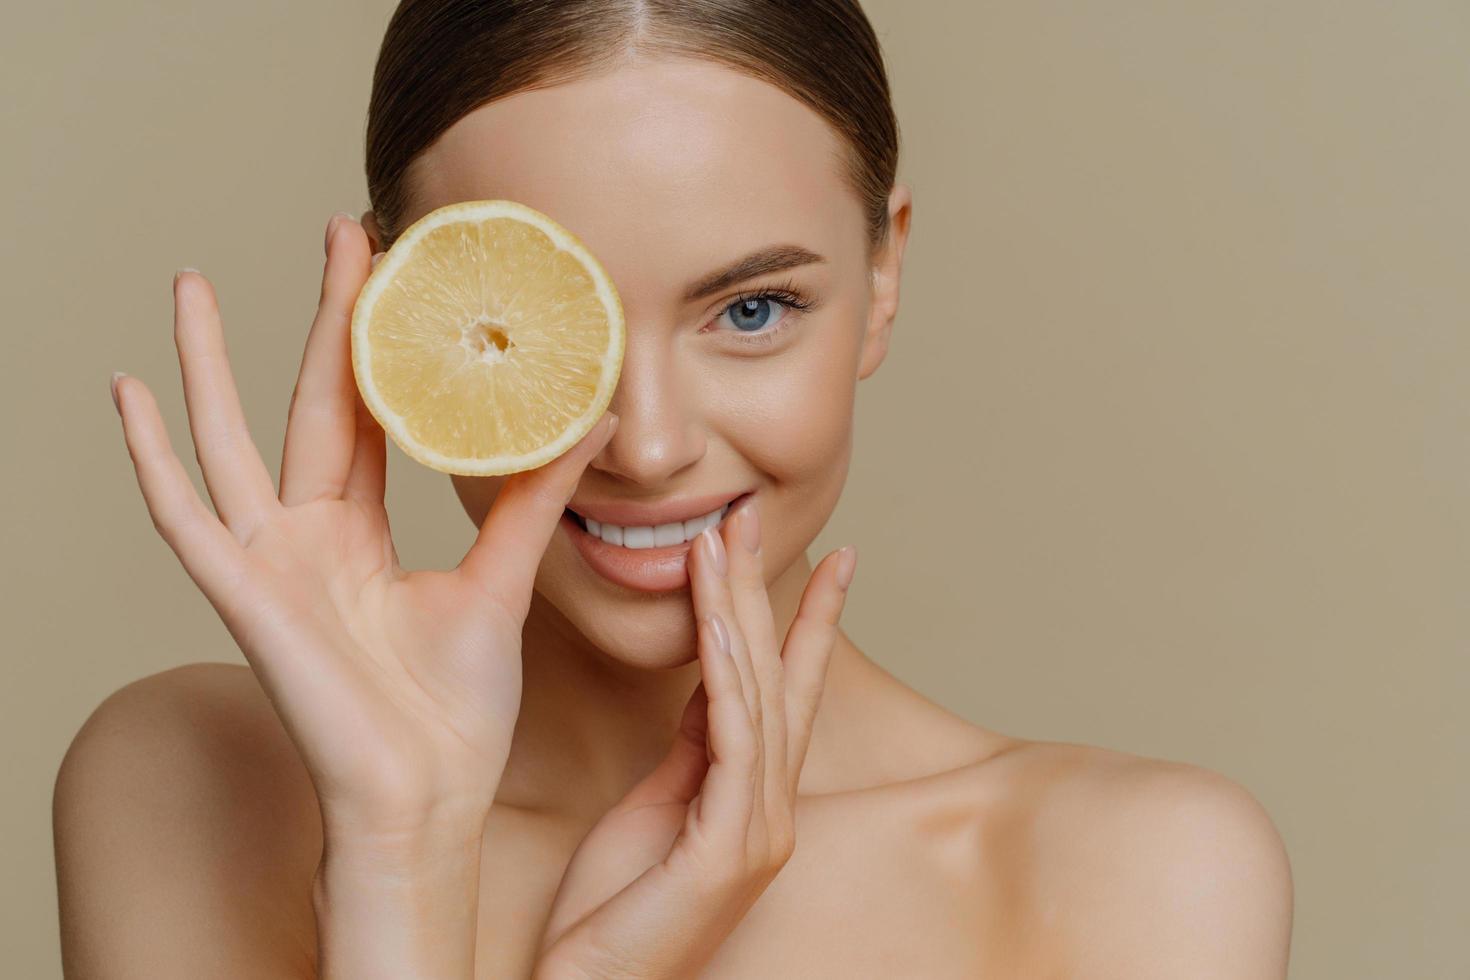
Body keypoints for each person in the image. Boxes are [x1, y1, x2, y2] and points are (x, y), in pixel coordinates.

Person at [54, 1, 1293, 976]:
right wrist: (400, 859)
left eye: (752, 310)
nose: (643, 445)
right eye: (550, 322)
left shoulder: (1138, 870)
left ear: (886, 274)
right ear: (402, 309)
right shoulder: (186, 785)